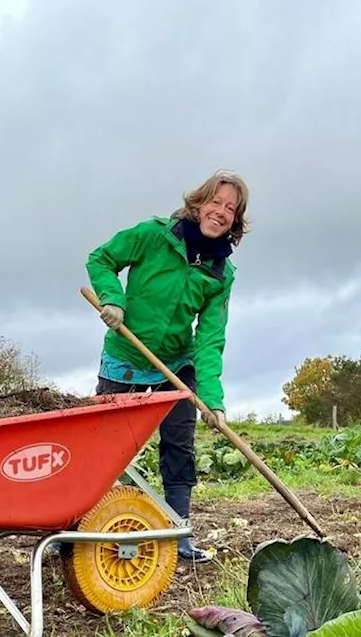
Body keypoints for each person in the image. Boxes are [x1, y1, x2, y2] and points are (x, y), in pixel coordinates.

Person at [84, 169, 249, 563]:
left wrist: (212, 399)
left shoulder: (220, 273)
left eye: (231, 209)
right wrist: (113, 299)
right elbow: (101, 258)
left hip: (177, 364)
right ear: (198, 203)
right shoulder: (154, 235)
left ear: (235, 221)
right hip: (125, 356)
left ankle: (178, 534)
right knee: (105, 449)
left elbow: (210, 338)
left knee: (179, 446)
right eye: (216, 202)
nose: (221, 212)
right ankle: (87, 529)